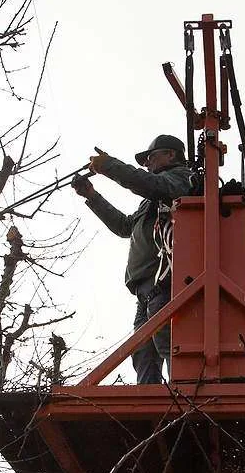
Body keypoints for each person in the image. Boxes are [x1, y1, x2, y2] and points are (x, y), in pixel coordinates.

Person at [72, 134, 193, 384]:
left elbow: (148, 183)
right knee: (144, 355)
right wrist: (92, 196)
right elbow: (124, 226)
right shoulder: (153, 199)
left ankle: (185, 406)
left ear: (171, 155)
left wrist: (109, 166)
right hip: (146, 290)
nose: (147, 164)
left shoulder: (181, 179)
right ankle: (151, 416)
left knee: (170, 348)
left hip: (165, 283)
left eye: (151, 157)